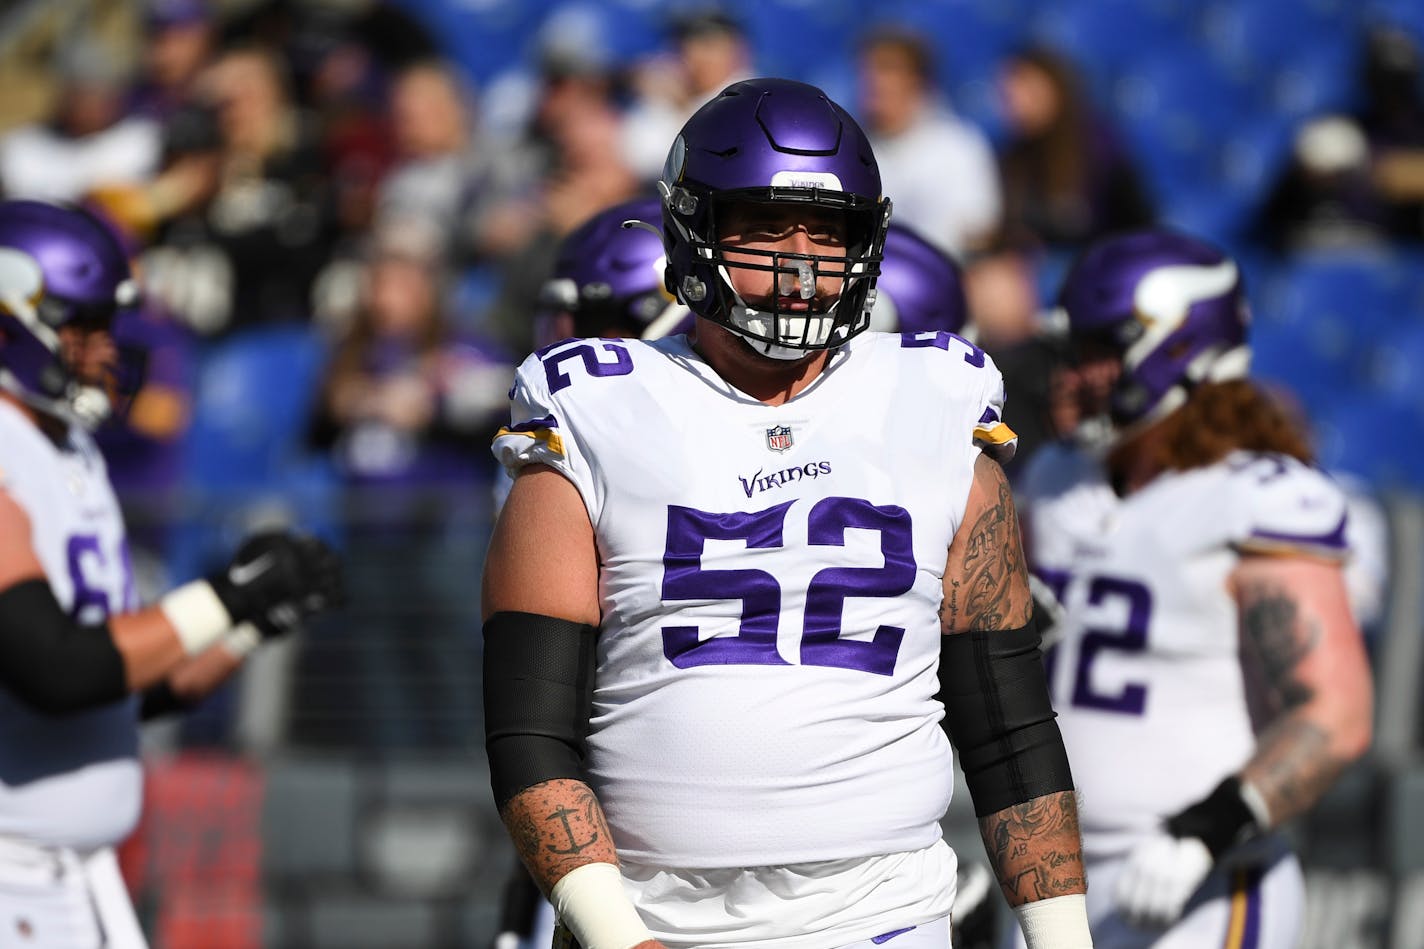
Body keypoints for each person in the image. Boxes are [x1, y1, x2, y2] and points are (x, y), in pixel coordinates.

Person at [483, 77, 1092, 949]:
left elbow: (1007, 726)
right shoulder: (595, 406)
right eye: (767, 225)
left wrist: (1064, 940)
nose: (803, 257)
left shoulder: (934, 398)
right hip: (654, 918)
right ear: (696, 230)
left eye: (828, 229)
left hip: (881, 916)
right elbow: (530, 732)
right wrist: (621, 938)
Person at [1011, 230, 1374, 948]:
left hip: (1195, 881)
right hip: (1046, 878)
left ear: (1177, 345)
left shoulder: (1255, 496)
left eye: (1098, 349)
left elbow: (1337, 714)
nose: (1073, 374)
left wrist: (1207, 831)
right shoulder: (1053, 480)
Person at [0, 199, 342, 944]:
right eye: (78, 323)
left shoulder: (68, 447)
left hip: (78, 884)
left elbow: (130, 686)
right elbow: (56, 669)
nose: (101, 348)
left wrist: (251, 622)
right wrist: (226, 594)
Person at [857, 27, 1001, 258]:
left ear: (916, 81)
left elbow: (977, 229)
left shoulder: (958, 146)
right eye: (869, 69)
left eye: (888, 69)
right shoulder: (854, 147)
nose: (875, 80)